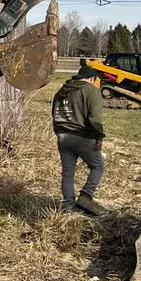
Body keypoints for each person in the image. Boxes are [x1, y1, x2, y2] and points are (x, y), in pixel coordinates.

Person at [51, 64, 107, 215]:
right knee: (97, 166)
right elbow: (95, 118)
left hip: (63, 137)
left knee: (67, 173)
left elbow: (54, 113)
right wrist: (99, 136)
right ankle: (86, 196)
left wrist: (58, 131)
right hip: (82, 136)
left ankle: (69, 206)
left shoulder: (62, 90)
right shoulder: (91, 90)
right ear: (92, 79)